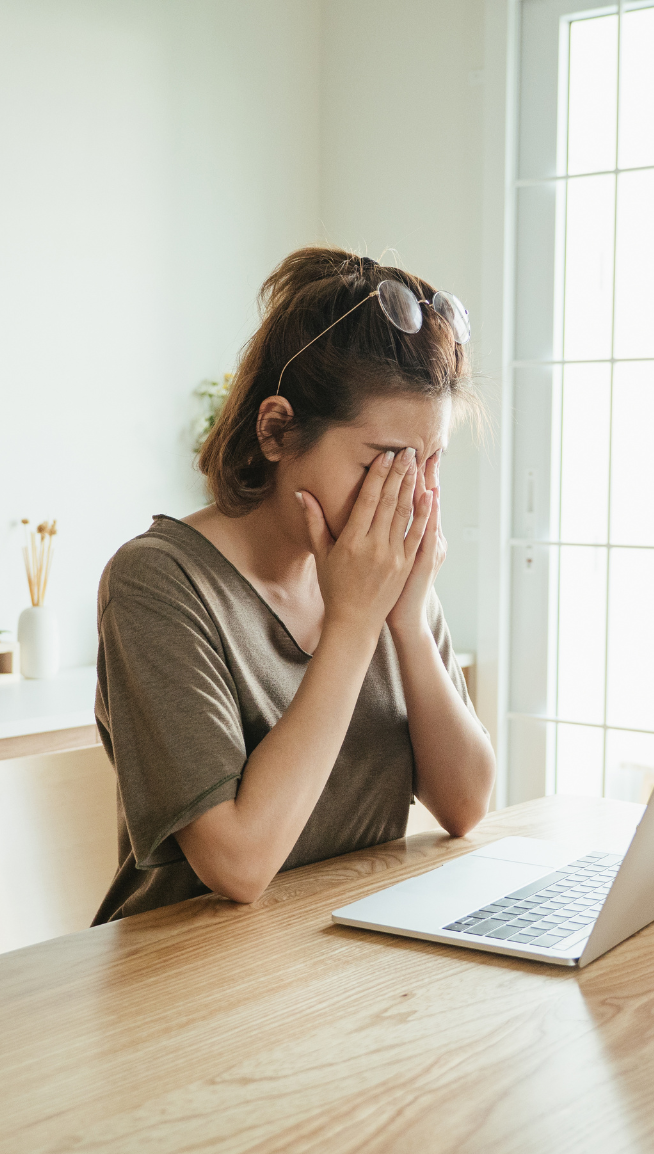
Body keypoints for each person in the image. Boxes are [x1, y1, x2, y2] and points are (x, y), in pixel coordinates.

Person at [92, 247, 495, 922]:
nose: (413, 498)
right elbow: (238, 865)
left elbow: (465, 804)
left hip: (341, 961)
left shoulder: (382, 575)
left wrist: (404, 618)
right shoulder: (157, 581)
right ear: (278, 431)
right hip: (186, 985)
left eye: (431, 464)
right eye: (387, 462)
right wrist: (353, 623)